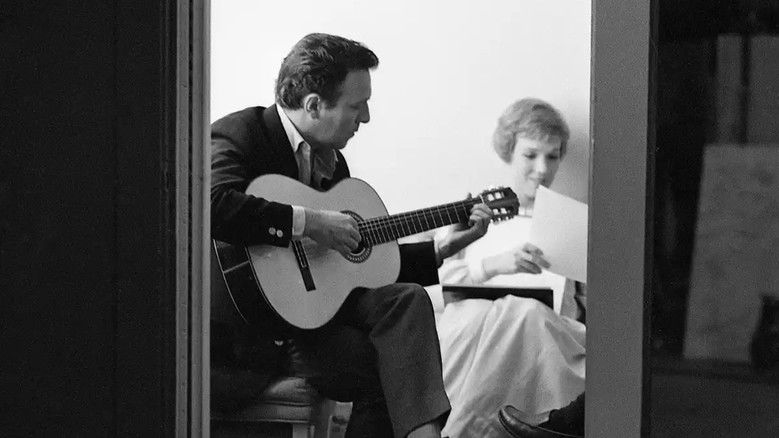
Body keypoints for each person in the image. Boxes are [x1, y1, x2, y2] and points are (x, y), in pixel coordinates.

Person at [209, 33, 492, 438]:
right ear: (313, 105)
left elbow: (351, 273)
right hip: (254, 333)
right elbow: (211, 204)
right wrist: (308, 222)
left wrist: (443, 248)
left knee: (407, 300)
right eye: (357, 106)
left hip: (313, 324)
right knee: (391, 366)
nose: (367, 118)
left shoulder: (333, 163)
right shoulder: (241, 134)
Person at [428, 98, 587, 438]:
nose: (542, 169)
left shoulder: (573, 221)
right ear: (509, 152)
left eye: (552, 157)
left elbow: (580, 309)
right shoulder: (472, 213)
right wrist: (495, 266)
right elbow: (434, 288)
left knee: (523, 313)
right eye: (530, 155)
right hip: (473, 327)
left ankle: (460, 431)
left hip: (548, 337)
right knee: (496, 315)